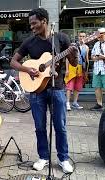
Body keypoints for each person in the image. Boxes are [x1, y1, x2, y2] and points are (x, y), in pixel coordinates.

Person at [10, 8, 76, 173]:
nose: (32, 27)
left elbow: (74, 64)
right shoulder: (29, 42)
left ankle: (63, 158)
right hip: (36, 91)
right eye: (30, 24)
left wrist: (74, 53)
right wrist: (27, 70)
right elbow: (13, 62)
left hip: (57, 88)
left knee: (60, 126)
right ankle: (43, 157)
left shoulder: (61, 38)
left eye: (34, 23)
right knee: (40, 126)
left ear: (44, 21)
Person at [65, 31, 89, 111]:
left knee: (78, 86)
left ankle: (75, 102)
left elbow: (86, 59)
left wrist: (86, 71)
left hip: (81, 67)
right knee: (69, 86)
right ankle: (67, 103)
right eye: (80, 36)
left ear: (86, 37)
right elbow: (67, 58)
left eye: (83, 36)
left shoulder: (86, 47)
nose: (81, 38)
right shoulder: (73, 45)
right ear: (78, 37)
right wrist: (67, 69)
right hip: (72, 67)